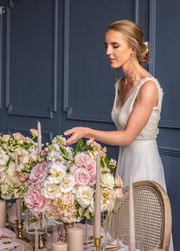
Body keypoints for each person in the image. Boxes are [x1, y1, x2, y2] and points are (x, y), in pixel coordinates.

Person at [64, 19, 167, 190]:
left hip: (144, 166)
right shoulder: (120, 84)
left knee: (138, 215)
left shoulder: (148, 87)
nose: (108, 52)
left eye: (115, 46)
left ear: (132, 48)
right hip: (125, 160)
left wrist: (87, 132)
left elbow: (127, 136)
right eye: (106, 46)